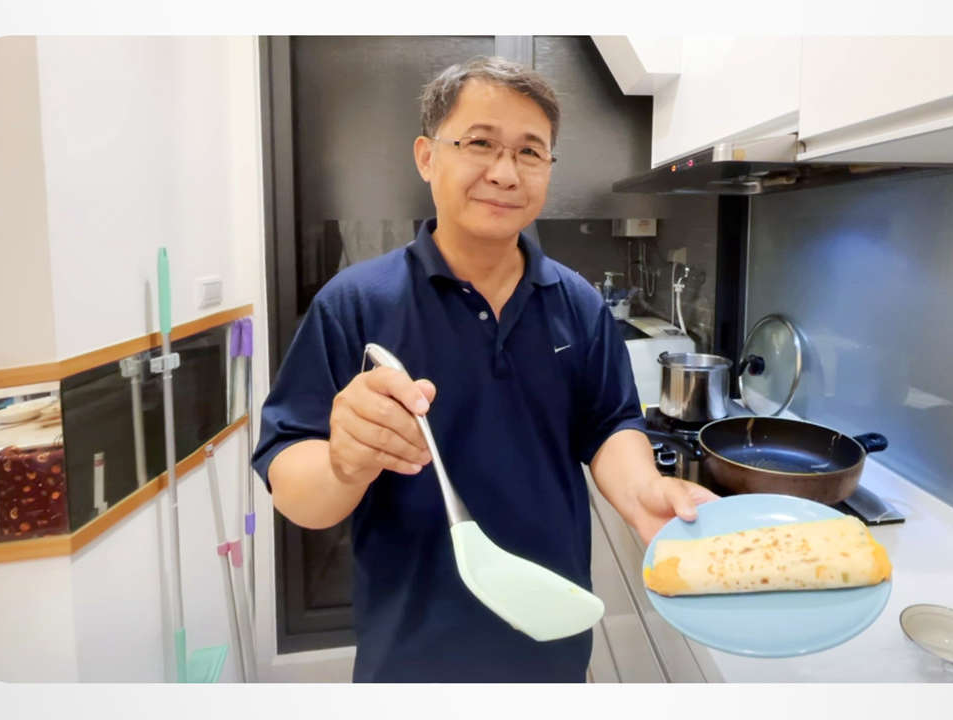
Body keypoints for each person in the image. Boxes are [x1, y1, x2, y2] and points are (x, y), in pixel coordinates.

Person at [252, 56, 717, 683]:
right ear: (426, 156)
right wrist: (345, 460)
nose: (505, 172)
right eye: (479, 143)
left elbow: (610, 424)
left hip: (552, 641)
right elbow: (293, 487)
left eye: (530, 152)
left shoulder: (577, 303)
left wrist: (642, 494)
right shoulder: (355, 304)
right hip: (411, 655)